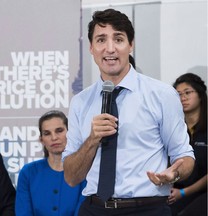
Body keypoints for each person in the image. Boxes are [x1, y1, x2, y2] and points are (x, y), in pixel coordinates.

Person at [62, 8, 195, 216]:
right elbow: (71, 177)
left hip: (148, 209)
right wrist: (92, 139)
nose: (110, 48)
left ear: (130, 45)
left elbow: (185, 156)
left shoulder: (162, 95)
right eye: (101, 40)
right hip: (94, 209)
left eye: (118, 39)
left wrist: (174, 173)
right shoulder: (80, 102)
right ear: (91, 48)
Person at [15, 110, 86, 216]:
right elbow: (23, 212)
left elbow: (83, 211)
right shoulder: (28, 172)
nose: (54, 138)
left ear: (70, 133)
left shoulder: (85, 171)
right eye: (47, 133)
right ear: (41, 140)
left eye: (59, 131)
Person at [169, 73, 207, 216]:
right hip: (175, 191)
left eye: (187, 92)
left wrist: (184, 193)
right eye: (178, 94)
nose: (183, 98)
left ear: (200, 94)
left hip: (201, 192)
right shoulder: (174, 128)